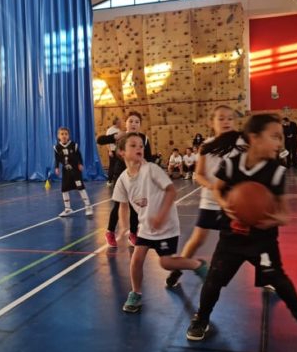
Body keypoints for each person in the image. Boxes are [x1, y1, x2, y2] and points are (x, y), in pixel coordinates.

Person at [186, 113, 297, 341]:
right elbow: (217, 189)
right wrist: (225, 204)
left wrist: (273, 219)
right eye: (275, 137)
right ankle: (201, 318)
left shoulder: (276, 171)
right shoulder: (231, 165)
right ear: (254, 138)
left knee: (278, 279)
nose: (280, 143)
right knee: (213, 281)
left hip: (262, 242)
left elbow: (284, 214)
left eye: (281, 137)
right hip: (231, 239)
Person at [113, 132, 208, 313]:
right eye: (133, 145)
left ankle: (198, 265)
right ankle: (136, 293)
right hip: (146, 228)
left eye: (141, 145)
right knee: (136, 260)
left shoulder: (151, 169)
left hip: (166, 226)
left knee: (166, 263)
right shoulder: (123, 179)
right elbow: (123, 206)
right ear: (121, 152)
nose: (139, 148)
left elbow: (171, 191)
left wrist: (161, 217)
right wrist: (124, 227)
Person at [165, 105, 244, 288]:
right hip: (210, 202)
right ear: (211, 123)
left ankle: (267, 276)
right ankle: (177, 270)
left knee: (247, 241)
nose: (226, 122)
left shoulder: (241, 144)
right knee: (197, 239)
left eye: (230, 118)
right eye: (221, 118)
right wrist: (213, 187)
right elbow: (198, 175)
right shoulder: (206, 146)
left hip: (232, 203)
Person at [97, 111, 153, 247]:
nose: (134, 124)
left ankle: (133, 234)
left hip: (137, 176)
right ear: (126, 123)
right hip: (121, 175)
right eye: (131, 121)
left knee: (135, 206)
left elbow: (149, 158)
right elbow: (100, 140)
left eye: (137, 122)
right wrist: (114, 136)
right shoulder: (120, 137)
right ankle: (110, 232)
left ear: (140, 125)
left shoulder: (144, 139)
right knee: (118, 204)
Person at [54, 126, 93, 216]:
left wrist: (80, 164)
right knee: (64, 189)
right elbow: (57, 159)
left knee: (80, 187)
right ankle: (67, 209)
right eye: (62, 134)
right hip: (66, 171)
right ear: (58, 136)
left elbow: (79, 156)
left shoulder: (73, 145)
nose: (64, 136)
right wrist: (56, 167)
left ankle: (88, 207)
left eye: (66, 134)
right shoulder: (57, 147)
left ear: (69, 136)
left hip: (75, 171)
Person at [105, 116, 122, 186]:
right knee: (112, 165)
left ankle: (116, 180)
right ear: (116, 122)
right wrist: (110, 151)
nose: (120, 123)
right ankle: (109, 181)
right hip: (112, 150)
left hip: (118, 150)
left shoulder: (119, 130)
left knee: (118, 166)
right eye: (119, 122)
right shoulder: (110, 130)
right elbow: (107, 142)